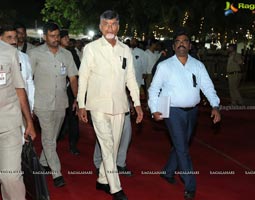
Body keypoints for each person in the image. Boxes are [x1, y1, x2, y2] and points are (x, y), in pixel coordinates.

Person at [77, 10, 143, 200]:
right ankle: (116, 187)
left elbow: (130, 78)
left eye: (113, 24)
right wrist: (82, 104)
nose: (110, 28)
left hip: (120, 105)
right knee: (106, 144)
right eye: (106, 24)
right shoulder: (91, 48)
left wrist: (137, 104)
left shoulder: (125, 49)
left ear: (119, 26)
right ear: (100, 27)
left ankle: (103, 180)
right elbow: (84, 77)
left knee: (113, 146)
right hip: (97, 105)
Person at [148, 29, 221, 200]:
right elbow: (154, 89)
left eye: (185, 41)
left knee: (180, 145)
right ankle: (190, 184)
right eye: (178, 41)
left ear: (189, 45)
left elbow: (208, 87)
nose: (182, 44)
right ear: (174, 46)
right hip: (172, 111)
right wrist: (153, 109)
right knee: (182, 148)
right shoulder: (165, 66)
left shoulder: (198, 65)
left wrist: (215, 105)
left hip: (193, 112)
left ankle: (167, 172)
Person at [0, 1, 36, 200]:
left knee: (11, 177)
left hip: (8, 123)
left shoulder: (8, 51)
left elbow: (19, 88)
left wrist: (29, 122)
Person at [28, 22, 79, 187]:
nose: (55, 39)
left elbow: (72, 78)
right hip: (41, 103)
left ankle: (43, 162)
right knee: (49, 138)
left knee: (52, 137)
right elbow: (28, 80)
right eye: (52, 36)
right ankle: (56, 173)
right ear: (44, 37)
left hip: (61, 102)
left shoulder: (67, 54)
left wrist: (78, 99)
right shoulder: (34, 54)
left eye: (57, 36)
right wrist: (28, 105)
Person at [0, 25, 35, 117]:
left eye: (15, 38)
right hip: (0, 111)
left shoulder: (24, 58)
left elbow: (29, 82)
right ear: (0, 39)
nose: (14, 41)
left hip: (23, 109)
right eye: (9, 38)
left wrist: (31, 106)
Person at [58, 29, 81, 155]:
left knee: (73, 117)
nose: (68, 40)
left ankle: (73, 144)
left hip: (71, 89)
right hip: (58, 90)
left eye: (68, 37)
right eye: (65, 37)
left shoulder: (72, 53)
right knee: (58, 116)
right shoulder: (55, 53)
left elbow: (78, 71)